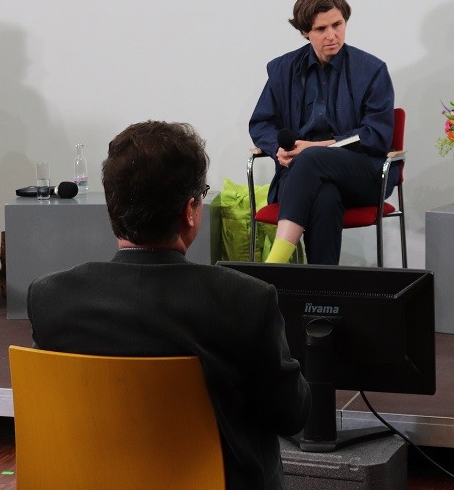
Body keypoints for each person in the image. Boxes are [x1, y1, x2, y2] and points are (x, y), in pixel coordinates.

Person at [28, 121, 310, 490]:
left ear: (112, 205)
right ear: (190, 210)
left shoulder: (50, 297)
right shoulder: (245, 300)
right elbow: (290, 416)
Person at [249, 0, 395, 265]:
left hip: (361, 172)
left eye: (337, 25)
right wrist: (278, 149)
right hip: (301, 176)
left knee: (312, 158)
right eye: (321, 29)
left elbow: (376, 136)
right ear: (305, 32)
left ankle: (274, 264)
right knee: (325, 198)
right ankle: (321, 293)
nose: (332, 35)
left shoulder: (372, 70)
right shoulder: (283, 69)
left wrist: (314, 148)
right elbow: (262, 123)